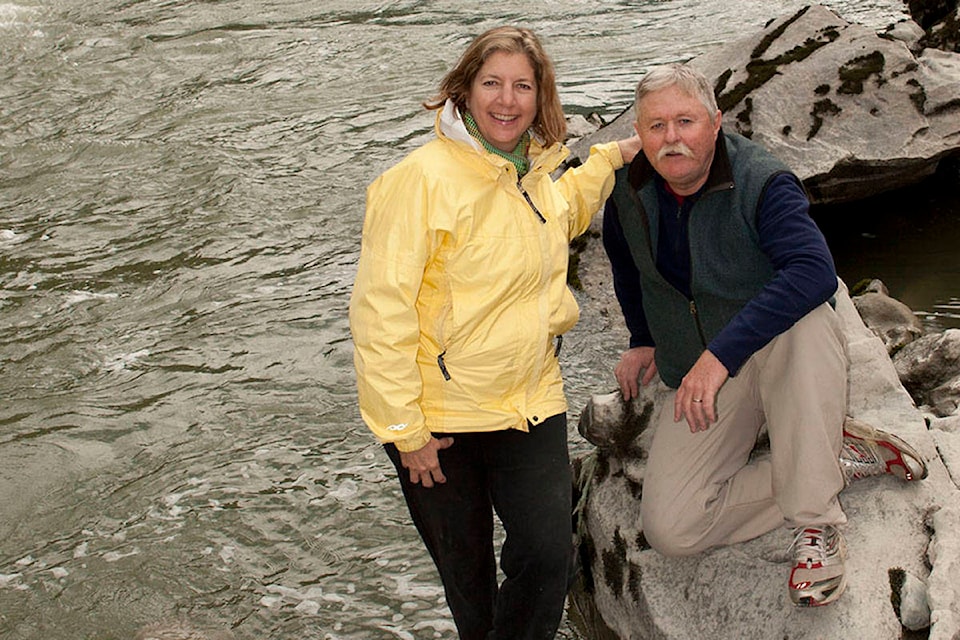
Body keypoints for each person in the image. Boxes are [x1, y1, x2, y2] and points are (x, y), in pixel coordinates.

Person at [349, 26, 641, 638]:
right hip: (440, 421)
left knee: (548, 555)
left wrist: (613, 157)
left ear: (541, 98)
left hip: (530, 402)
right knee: (470, 579)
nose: (506, 101)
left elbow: (566, 210)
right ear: (463, 91)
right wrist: (405, 430)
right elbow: (380, 312)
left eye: (522, 87)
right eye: (492, 84)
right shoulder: (418, 181)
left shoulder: (535, 176)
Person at [602, 63, 927, 607]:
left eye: (685, 121)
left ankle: (817, 524)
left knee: (807, 317)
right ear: (639, 130)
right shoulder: (628, 192)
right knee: (673, 529)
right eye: (655, 125)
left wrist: (718, 357)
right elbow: (627, 266)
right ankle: (836, 457)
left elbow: (813, 271)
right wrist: (641, 336)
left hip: (771, 352)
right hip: (701, 371)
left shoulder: (762, 181)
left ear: (715, 123)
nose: (671, 138)